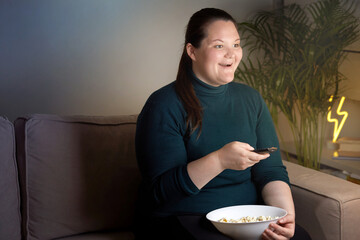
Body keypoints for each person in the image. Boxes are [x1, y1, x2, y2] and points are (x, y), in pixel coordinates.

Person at [134, 8, 311, 240]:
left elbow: (270, 171)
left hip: (245, 218)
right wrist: (219, 161)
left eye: (236, 45)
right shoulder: (163, 104)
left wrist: (284, 217)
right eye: (219, 46)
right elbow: (161, 193)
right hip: (182, 217)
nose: (231, 54)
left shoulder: (250, 99)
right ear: (192, 51)